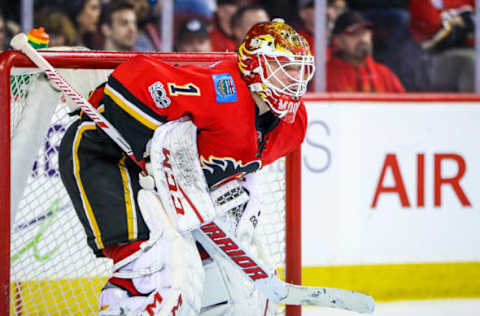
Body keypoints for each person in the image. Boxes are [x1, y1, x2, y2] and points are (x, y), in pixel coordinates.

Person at [58, 18, 314, 315]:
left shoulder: (292, 127)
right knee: (152, 268)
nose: (295, 79)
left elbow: (229, 169)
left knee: (219, 281)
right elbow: (138, 79)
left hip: (158, 183)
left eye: (299, 69)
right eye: (286, 67)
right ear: (256, 66)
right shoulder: (220, 93)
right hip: (103, 154)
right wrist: (144, 145)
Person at [327, 10, 405, 93]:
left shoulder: (384, 74)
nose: (363, 39)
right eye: (354, 33)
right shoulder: (326, 76)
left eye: (365, 32)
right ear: (337, 41)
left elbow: (404, 105)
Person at [409, 0, 475, 92]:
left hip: (463, 46)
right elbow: (432, 32)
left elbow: (473, 23)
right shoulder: (421, 3)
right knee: (471, 61)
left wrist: (457, 24)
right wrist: (461, 26)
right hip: (433, 53)